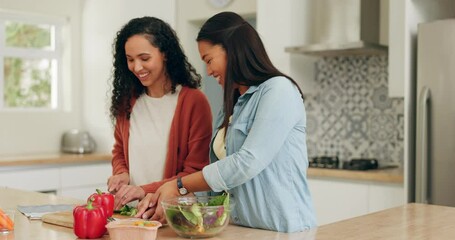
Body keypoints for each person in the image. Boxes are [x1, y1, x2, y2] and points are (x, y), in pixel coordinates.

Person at [136, 12, 317, 233]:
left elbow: (247, 162)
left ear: (232, 50)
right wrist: (173, 200)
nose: (209, 71)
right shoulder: (231, 105)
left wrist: (180, 186)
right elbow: (220, 177)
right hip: (240, 230)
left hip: (283, 231)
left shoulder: (278, 90)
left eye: (209, 60)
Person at [107, 16, 212, 210]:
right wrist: (122, 173)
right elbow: (119, 150)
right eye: (130, 60)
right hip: (132, 212)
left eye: (145, 58)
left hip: (174, 213)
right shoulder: (127, 101)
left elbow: (194, 171)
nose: (137, 67)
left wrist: (143, 189)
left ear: (164, 54)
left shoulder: (193, 102)